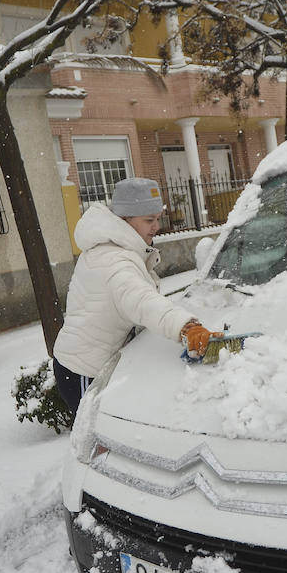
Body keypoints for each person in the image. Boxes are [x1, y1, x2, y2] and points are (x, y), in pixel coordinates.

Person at [52, 177, 216, 415]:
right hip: (83, 370)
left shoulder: (114, 248)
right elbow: (142, 301)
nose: (156, 226)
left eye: (158, 218)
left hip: (85, 362)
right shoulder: (115, 261)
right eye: (149, 220)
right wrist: (185, 326)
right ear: (125, 220)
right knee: (102, 436)